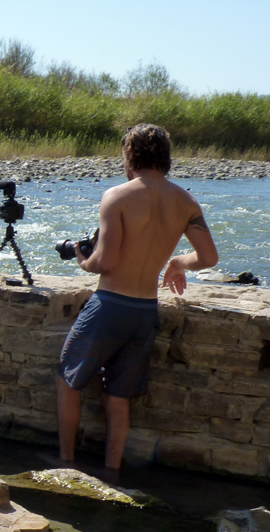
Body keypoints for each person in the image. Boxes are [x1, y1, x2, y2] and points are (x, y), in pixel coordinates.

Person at [57, 123, 219, 472]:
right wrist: (178, 262)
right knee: (118, 397)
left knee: (67, 379)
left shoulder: (118, 196)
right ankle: (111, 473)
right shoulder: (185, 201)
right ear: (166, 157)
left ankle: (65, 465)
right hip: (145, 311)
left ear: (129, 155)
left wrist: (83, 259)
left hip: (109, 306)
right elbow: (209, 259)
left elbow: (107, 261)